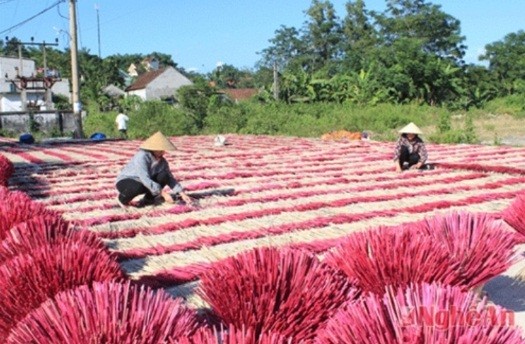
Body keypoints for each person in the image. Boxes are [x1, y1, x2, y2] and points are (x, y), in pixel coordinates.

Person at [115, 131, 193, 208]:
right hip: (127, 180)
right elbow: (144, 177)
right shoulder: (142, 156)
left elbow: (170, 178)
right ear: (154, 148)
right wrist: (163, 194)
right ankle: (122, 199)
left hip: (144, 182)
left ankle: (148, 199)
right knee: (138, 187)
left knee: (164, 175)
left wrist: (181, 193)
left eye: (163, 150)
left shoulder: (162, 161)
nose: (163, 152)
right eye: (161, 150)